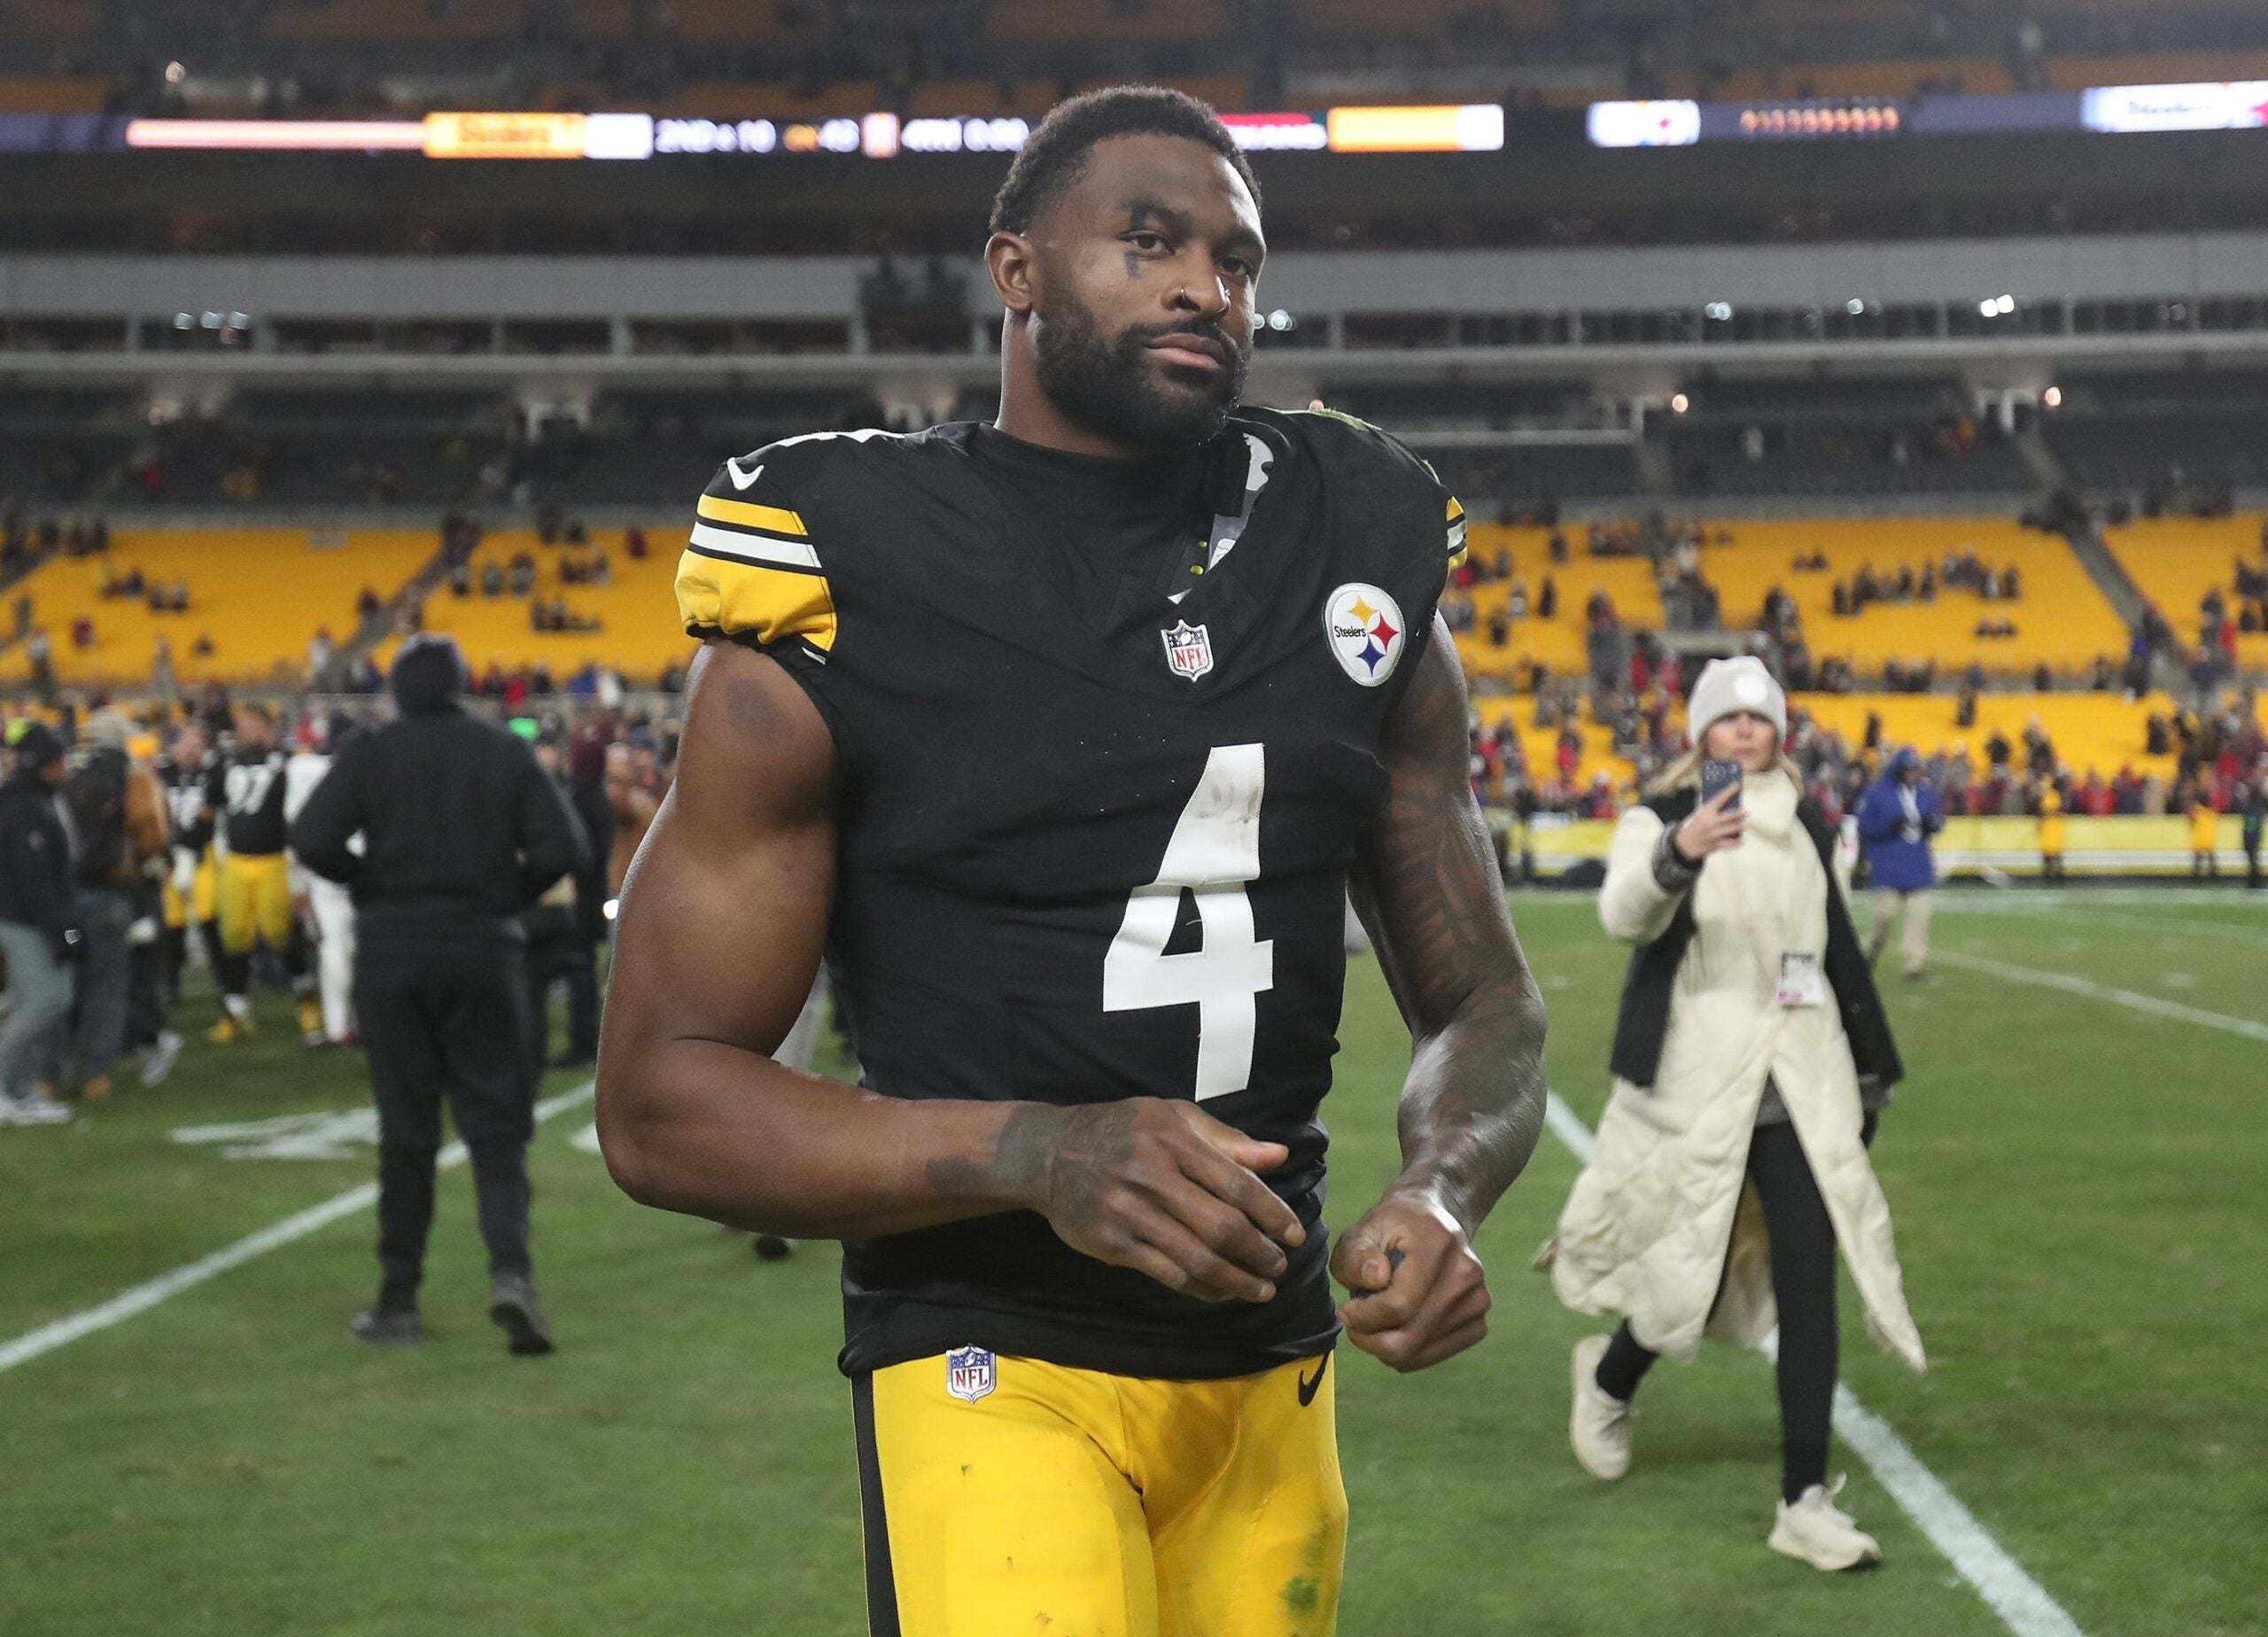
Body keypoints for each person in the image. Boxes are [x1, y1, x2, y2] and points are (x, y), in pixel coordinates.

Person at [594, 87, 1549, 1637]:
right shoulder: (851, 561)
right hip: (993, 1356)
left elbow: (1489, 1006)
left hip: (1270, 1370)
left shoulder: (1354, 532)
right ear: (1017, 268)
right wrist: (1038, 1151)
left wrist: (1444, 1192)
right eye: (1152, 241)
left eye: (1240, 260)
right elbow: (657, 1101)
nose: (1206, 288)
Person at [1549, 656, 1922, 1571]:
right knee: (1686, 1273)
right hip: (1698, 1080)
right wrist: (1678, 857)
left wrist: (1862, 1069)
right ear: (1701, 734)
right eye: (1728, 719)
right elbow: (1621, 916)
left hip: (1799, 1074)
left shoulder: (1808, 823)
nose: (1745, 730)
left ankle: (1803, 1500)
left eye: (1760, 718)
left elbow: (1826, 947)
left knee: (1808, 1279)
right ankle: (1605, 1380)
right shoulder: (1662, 817)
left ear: (1779, 732)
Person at [291, 635, 587, 1354]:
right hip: (483, 949)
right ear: (462, 684)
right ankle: (511, 1275)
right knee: (495, 1130)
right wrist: (502, 898)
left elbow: (311, 836)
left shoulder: (372, 751)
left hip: (393, 952)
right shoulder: (501, 751)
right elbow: (564, 847)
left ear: (394, 688)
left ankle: (398, 1301)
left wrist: (370, 885)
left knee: (407, 1133)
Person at [204, 704, 322, 1043]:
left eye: (251, 725)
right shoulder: (226, 761)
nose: (244, 731)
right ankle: (236, 1011)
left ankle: (308, 1000)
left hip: (274, 860)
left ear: (269, 728)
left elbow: (300, 810)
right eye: (241, 725)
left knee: (282, 934)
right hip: (236, 861)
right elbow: (209, 806)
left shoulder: (287, 763)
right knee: (234, 936)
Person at [0, 724, 79, 1125]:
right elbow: (36, 880)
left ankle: (20, 1092)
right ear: (44, 764)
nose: (64, 765)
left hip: (39, 918)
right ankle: (5, 1088)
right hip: (26, 920)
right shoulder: (22, 806)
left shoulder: (36, 800)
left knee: (50, 1001)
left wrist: (68, 929)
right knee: (43, 1002)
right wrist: (62, 932)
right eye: (58, 758)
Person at [284, 718, 357, 1046]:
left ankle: (341, 1027)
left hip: (335, 874)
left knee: (337, 951)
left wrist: (297, 884)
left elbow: (298, 834)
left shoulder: (306, 771)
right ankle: (349, 1026)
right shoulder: (308, 771)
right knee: (344, 953)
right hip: (358, 875)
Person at [1857, 748, 1942, 979]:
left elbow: (1939, 819)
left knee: (1919, 918)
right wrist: (1888, 827)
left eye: (1916, 769)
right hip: (1890, 865)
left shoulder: (1924, 793)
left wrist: (1931, 823)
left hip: (1918, 865)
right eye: (1910, 770)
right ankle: (1868, 955)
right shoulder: (1877, 794)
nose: (1914, 774)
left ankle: (1914, 965)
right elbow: (1864, 827)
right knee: (1883, 919)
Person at [2036, 779, 2067, 882]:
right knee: (2047, 852)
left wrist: (2046, 812)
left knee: (2056, 851)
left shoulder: (2054, 795)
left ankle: (2059, 875)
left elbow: (2056, 809)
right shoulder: (2043, 797)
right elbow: (2041, 812)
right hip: (2046, 827)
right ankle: (2047, 875)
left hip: (2053, 826)